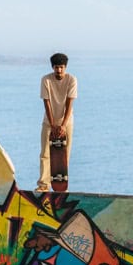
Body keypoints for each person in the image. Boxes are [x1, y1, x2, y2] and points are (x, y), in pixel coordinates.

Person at [39, 52, 76, 191]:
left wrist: (63, 125)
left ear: (65, 67)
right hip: (49, 122)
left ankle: (62, 187)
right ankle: (43, 184)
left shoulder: (72, 80)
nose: (59, 70)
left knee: (64, 154)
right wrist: (53, 124)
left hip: (66, 122)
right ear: (52, 67)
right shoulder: (46, 80)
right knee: (45, 153)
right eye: (56, 67)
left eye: (61, 67)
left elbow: (69, 103)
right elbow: (46, 102)